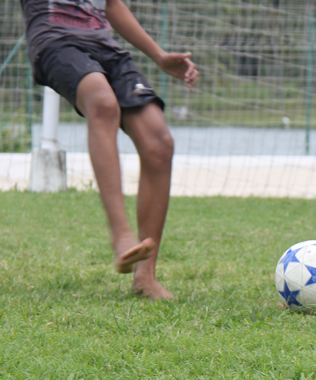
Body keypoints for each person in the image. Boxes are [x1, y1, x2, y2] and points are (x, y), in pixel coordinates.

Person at [21, 0, 199, 299]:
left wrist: (158, 55)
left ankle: (145, 277)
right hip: (55, 41)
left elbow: (113, 5)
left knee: (159, 142)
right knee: (102, 103)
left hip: (105, 48)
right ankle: (121, 236)